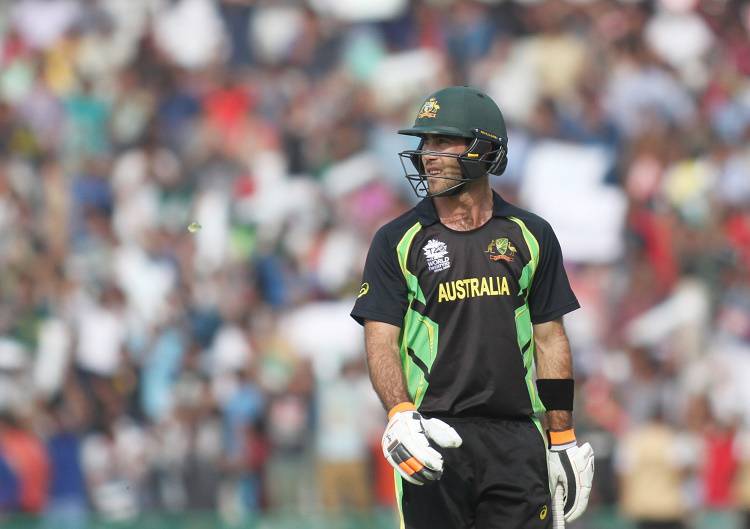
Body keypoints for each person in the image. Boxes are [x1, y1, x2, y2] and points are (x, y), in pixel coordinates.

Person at [350, 86, 595, 529]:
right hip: (433, 436)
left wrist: (562, 436)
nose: (429, 154)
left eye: (444, 141)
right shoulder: (395, 240)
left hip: (517, 439)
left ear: (485, 149)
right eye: (425, 143)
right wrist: (400, 415)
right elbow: (380, 340)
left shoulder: (532, 234)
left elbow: (550, 338)